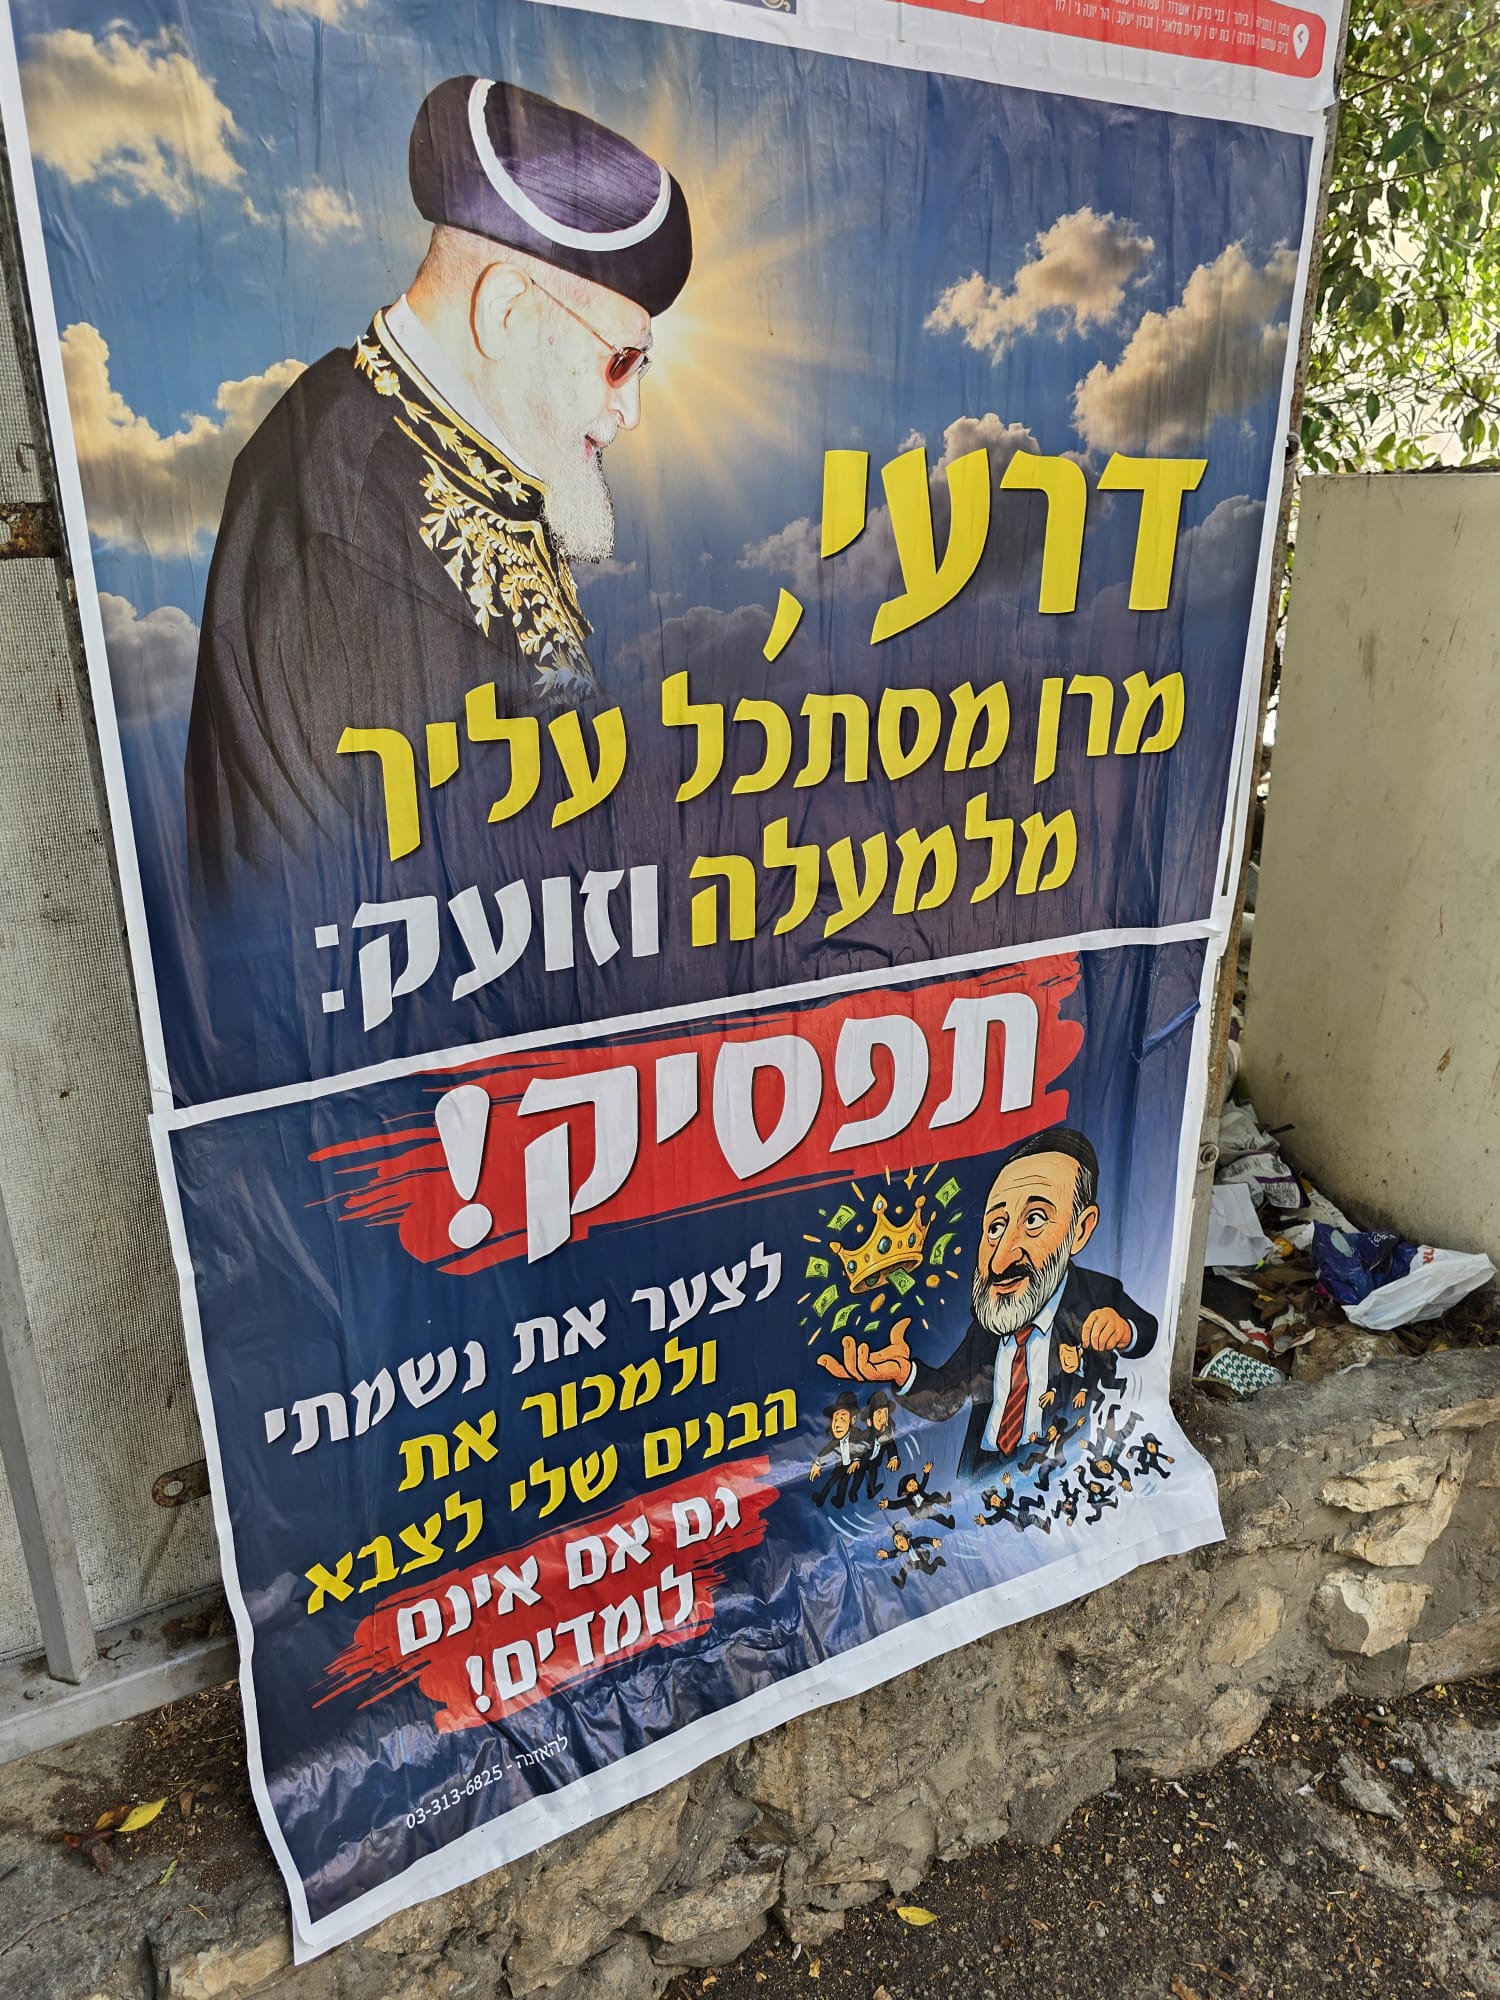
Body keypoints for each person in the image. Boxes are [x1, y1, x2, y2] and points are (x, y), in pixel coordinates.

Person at [185, 74, 692, 906]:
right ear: (507, 310)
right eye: (621, 360)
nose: (629, 410)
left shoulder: (460, 445)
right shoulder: (347, 529)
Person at [816, 1127, 1157, 1482]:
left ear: (1081, 1229)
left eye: (1034, 1220)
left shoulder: (1094, 1294)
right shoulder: (987, 1330)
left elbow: (1146, 1332)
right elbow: (947, 1397)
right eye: (995, 1228)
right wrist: (905, 1374)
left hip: (1060, 1467)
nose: (999, 1261)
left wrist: (1123, 1331)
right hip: (983, 1473)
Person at [809, 1391, 872, 1509]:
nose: (837, 1424)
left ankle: (841, 1498)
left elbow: (863, 1445)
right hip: (841, 1464)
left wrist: (857, 1460)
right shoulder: (835, 1441)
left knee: (845, 1482)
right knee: (833, 1480)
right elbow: (827, 1449)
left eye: (842, 1418)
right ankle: (821, 1497)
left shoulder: (856, 1434)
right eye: (835, 1419)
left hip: (855, 1463)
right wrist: (817, 1463)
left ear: (852, 1420)